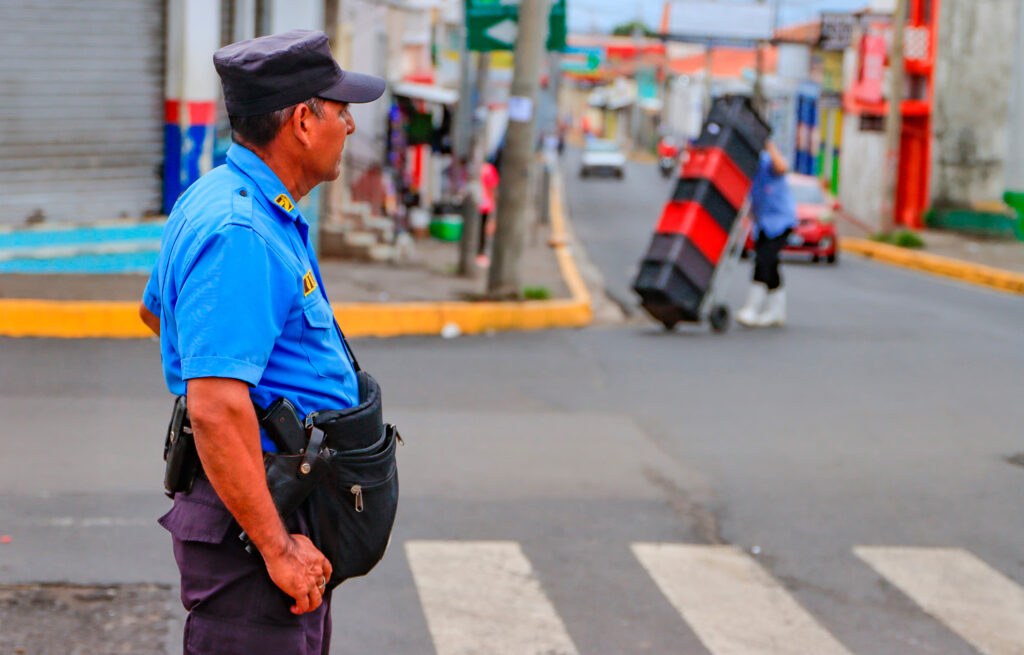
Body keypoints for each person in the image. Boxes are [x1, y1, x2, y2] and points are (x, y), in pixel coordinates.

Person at [138, 30, 385, 654]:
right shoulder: (240, 229)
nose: (350, 127)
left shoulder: (227, 198)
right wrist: (276, 545)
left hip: (265, 498)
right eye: (340, 110)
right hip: (256, 520)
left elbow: (154, 314)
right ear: (303, 121)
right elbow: (215, 405)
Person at [737, 140, 798, 327]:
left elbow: (782, 167)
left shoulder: (766, 160)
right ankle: (776, 312)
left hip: (780, 222)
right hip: (763, 223)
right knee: (770, 265)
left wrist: (769, 145)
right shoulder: (748, 168)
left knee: (764, 260)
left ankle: (752, 309)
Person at [476, 160, 500, 267]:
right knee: (482, 231)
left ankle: (478, 253)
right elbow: (493, 187)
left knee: (478, 230)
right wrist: (495, 202)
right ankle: (480, 254)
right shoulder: (489, 169)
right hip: (485, 204)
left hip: (476, 203)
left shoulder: (474, 167)